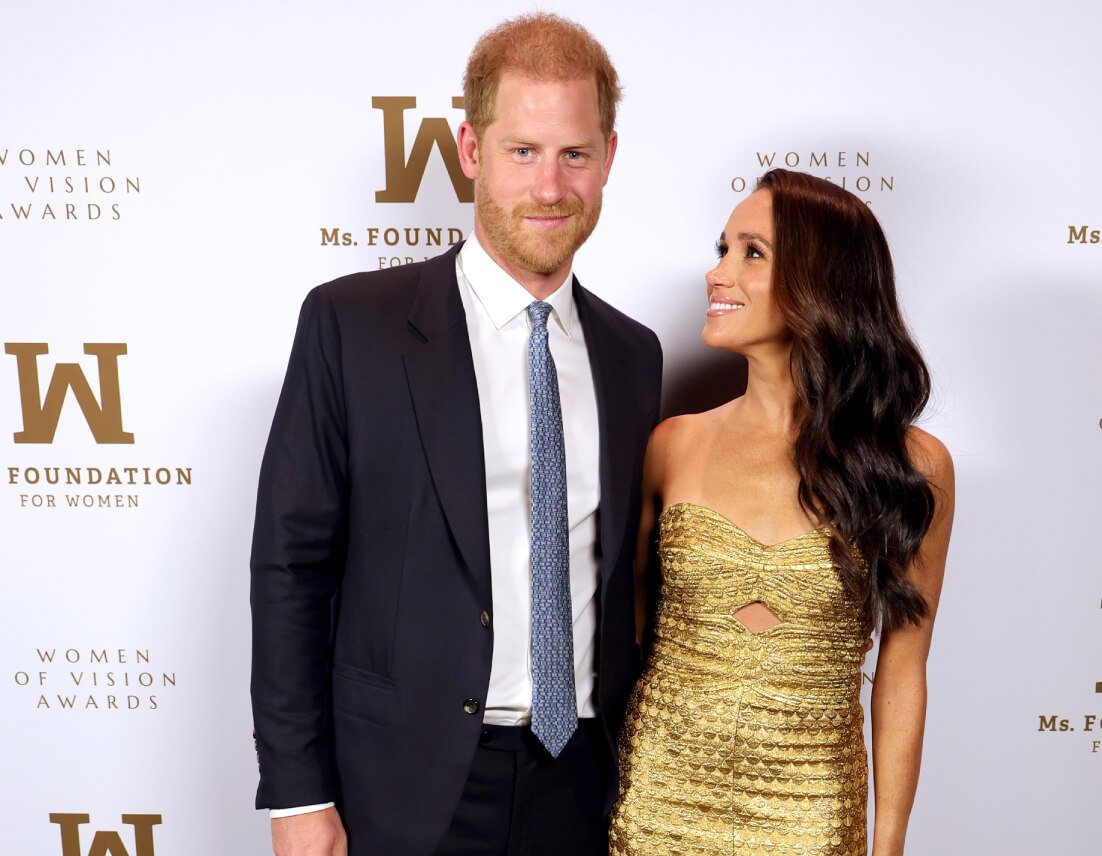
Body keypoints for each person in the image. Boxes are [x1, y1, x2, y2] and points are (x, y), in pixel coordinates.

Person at [249, 13, 661, 856]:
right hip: (402, 785)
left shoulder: (632, 355)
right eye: (522, 151)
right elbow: (292, 568)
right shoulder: (352, 326)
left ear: (609, 159)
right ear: (471, 151)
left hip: (588, 781)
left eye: (575, 154)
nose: (550, 187)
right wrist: (297, 794)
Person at [608, 169, 954, 856]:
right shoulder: (672, 445)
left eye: (751, 252)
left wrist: (887, 846)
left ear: (820, 283)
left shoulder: (913, 467)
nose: (717, 273)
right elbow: (630, 638)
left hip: (814, 812)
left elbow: (903, 671)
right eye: (722, 248)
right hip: (660, 801)